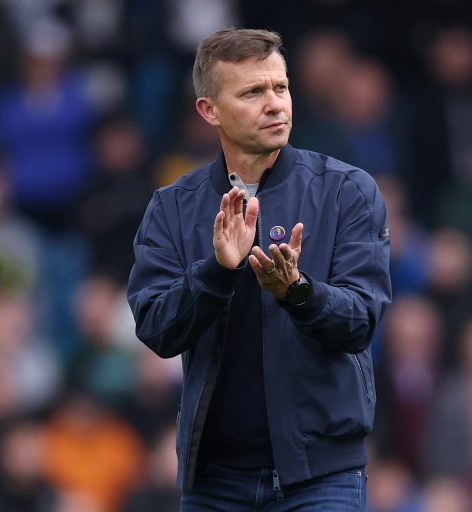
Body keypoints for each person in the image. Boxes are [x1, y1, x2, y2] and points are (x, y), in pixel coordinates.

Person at [127, 28, 391, 511]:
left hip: (322, 477)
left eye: (281, 87)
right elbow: (156, 327)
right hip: (213, 483)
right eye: (252, 92)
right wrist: (217, 274)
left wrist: (298, 291)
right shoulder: (171, 207)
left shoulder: (348, 191)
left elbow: (362, 321)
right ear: (209, 111)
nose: (274, 104)